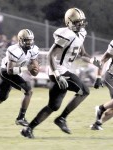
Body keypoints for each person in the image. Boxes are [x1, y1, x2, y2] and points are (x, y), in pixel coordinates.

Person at [20, 7, 102, 138]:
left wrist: (93, 60)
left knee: (53, 105)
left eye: (81, 22)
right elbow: (50, 55)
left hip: (64, 71)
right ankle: (62, 119)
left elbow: (82, 54)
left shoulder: (81, 33)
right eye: (76, 22)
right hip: (57, 71)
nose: (80, 24)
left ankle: (28, 129)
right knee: (85, 90)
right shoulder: (66, 34)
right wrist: (58, 76)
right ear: (68, 22)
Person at [90, 40, 113, 130]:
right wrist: (98, 76)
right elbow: (103, 60)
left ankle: (97, 124)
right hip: (111, 76)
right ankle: (100, 108)